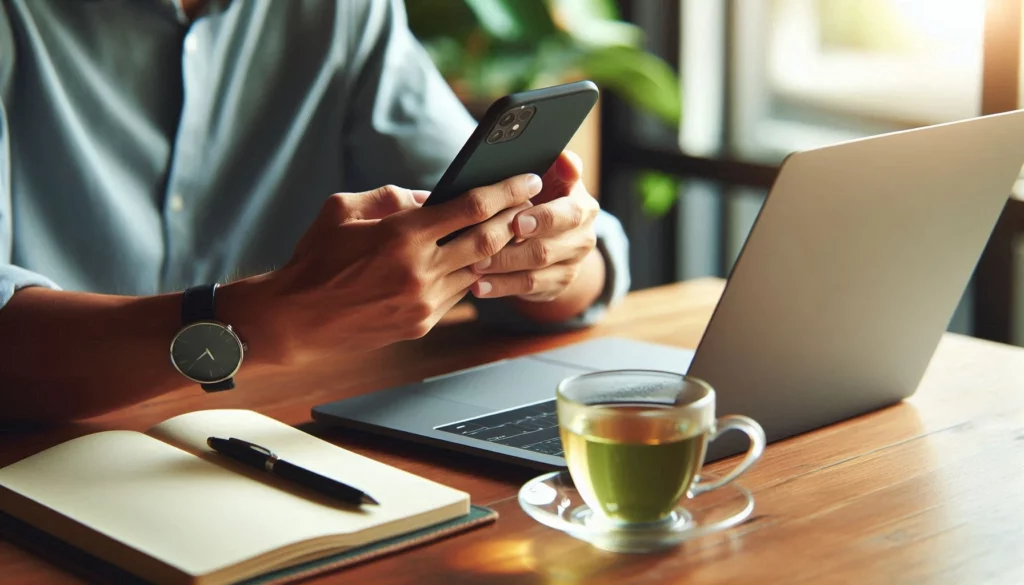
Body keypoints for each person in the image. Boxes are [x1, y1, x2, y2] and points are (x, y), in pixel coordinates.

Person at [0, 0, 629, 422]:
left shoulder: (345, 11)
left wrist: (551, 249)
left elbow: (557, 254)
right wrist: (266, 320)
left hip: (281, 435)